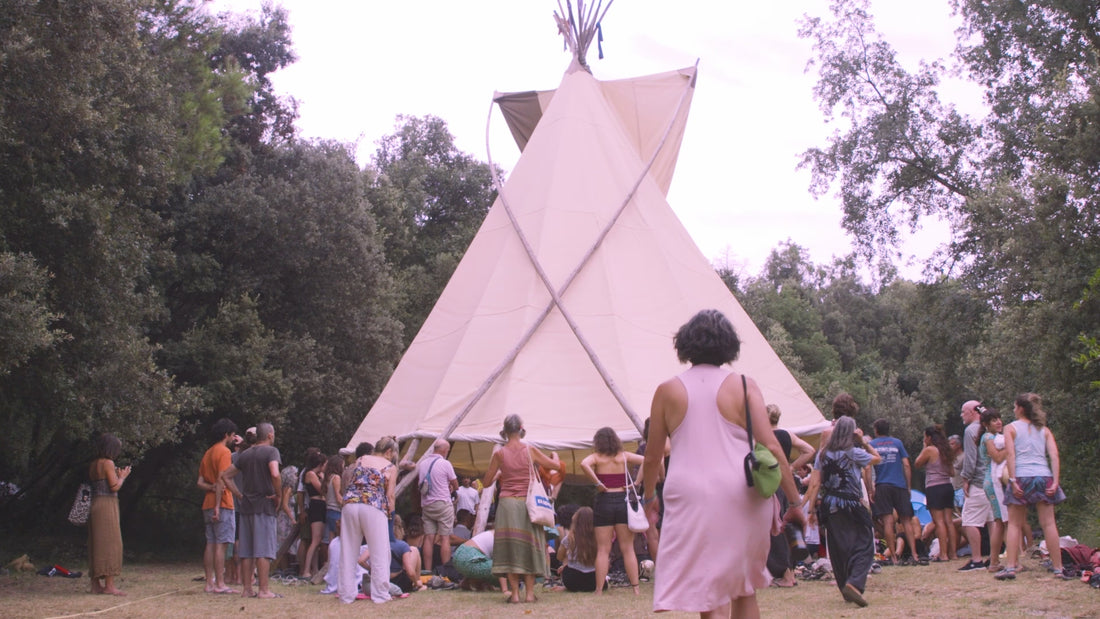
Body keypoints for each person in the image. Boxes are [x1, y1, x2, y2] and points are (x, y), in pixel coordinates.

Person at [642, 309, 805, 617]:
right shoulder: (744, 385)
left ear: (685, 343)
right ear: (729, 344)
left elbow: (652, 457)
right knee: (743, 587)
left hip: (690, 496)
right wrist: (794, 501)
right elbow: (771, 445)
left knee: (709, 590)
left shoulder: (667, 390)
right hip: (742, 494)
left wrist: (650, 497)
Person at [481, 414, 565, 604]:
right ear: (521, 428)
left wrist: (499, 474)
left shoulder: (499, 454)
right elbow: (556, 466)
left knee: (511, 548)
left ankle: (515, 595)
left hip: (507, 505)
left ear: (505, 430)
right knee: (529, 546)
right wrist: (555, 455)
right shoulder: (530, 450)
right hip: (528, 504)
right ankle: (529, 594)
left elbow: (486, 482)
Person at [801, 416, 882, 607]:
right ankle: (854, 583)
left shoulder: (823, 454)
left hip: (830, 504)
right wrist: (863, 442)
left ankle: (845, 586)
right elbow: (878, 459)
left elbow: (816, 483)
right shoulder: (854, 452)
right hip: (851, 504)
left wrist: (811, 511)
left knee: (838, 548)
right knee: (865, 543)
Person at [996, 393, 1069, 581]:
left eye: (1014, 406)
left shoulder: (1010, 428)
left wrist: (1013, 480)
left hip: (1021, 476)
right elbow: (1054, 456)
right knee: (1049, 523)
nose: (1014, 410)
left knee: (1014, 523)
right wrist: (1055, 481)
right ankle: (1058, 568)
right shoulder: (1044, 430)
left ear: (1020, 408)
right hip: (1043, 476)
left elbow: (1010, 455)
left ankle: (1011, 567)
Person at [219, 422, 282, 599]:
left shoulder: (244, 454)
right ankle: (264, 590)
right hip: (264, 505)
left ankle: (247, 589)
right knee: (263, 550)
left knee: (246, 550)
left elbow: (226, 476)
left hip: (246, 507)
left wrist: (239, 495)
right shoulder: (271, 452)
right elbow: (275, 473)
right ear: (270, 435)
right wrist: (278, 494)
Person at [580, 426, 645, 596]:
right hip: (623, 500)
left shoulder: (596, 457)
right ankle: (636, 588)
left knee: (603, 549)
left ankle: (599, 590)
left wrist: (598, 483)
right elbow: (647, 460)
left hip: (604, 501)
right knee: (628, 548)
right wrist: (636, 483)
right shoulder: (623, 456)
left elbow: (583, 464)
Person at [339, 436, 400, 604]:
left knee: (348, 551)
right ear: (388, 451)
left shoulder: (361, 459)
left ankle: (346, 595)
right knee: (380, 552)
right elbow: (390, 495)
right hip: (374, 506)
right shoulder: (390, 467)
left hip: (350, 504)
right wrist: (391, 515)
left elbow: (349, 480)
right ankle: (380, 595)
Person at [766, 404, 815, 587]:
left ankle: (785, 573)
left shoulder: (763, 435)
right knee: (788, 526)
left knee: (775, 528)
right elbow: (809, 450)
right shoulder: (787, 434)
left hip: (771, 483)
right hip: (787, 484)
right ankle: (790, 571)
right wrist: (791, 467)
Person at [867, 419, 921, 565]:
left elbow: (867, 468)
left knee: (888, 522)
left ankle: (894, 557)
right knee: (906, 520)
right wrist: (908, 486)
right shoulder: (897, 443)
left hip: (882, 485)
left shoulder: (871, 445)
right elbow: (906, 465)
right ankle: (914, 554)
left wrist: (870, 489)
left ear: (876, 430)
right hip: (899, 485)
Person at [197, 418, 239, 594]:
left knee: (210, 543)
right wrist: (217, 505)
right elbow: (222, 478)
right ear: (226, 434)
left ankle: (209, 582)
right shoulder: (224, 452)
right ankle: (220, 583)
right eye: (232, 435)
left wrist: (211, 488)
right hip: (221, 504)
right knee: (222, 544)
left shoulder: (208, 453)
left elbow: (200, 482)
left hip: (207, 502)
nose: (233, 438)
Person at [88, 432, 130, 596]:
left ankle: (95, 584)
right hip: (106, 504)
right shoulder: (107, 463)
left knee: (96, 543)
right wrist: (122, 477)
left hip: (95, 502)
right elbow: (114, 486)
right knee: (110, 543)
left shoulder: (93, 464)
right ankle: (109, 585)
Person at [958, 400, 993, 571]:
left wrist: (966, 479)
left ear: (973, 412)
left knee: (969, 521)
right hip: (993, 480)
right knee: (993, 520)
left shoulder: (971, 430)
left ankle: (977, 559)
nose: (961, 415)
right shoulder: (991, 428)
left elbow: (971, 459)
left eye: (963, 412)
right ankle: (994, 558)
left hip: (978, 482)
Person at [914, 425, 956, 561]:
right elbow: (952, 472)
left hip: (934, 487)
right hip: (947, 486)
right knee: (949, 521)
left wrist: (924, 447)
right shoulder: (946, 451)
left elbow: (917, 463)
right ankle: (953, 553)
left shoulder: (930, 450)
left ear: (929, 437)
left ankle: (943, 554)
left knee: (939, 522)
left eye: (925, 437)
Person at [417, 438, 458, 574]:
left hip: (427, 504)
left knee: (429, 537)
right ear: (445, 450)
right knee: (445, 537)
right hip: (442, 503)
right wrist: (451, 487)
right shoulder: (445, 463)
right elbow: (455, 484)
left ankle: (427, 571)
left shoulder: (423, 464)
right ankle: (445, 572)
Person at [978, 408, 1008, 573]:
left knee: (1002, 522)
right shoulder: (988, 437)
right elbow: (996, 457)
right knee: (1001, 522)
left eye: (999, 419)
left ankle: (995, 561)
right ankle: (997, 561)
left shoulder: (995, 436)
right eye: (994, 420)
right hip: (993, 482)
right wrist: (1010, 446)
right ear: (986, 424)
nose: (998, 422)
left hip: (996, 481)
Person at [556, 506, 600, 592]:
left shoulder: (569, 539)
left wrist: (566, 563)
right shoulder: (598, 538)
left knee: (566, 556)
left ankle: (564, 585)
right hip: (594, 581)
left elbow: (559, 557)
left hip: (572, 581)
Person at [300, 450, 327, 579]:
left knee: (318, 540)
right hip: (316, 505)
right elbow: (321, 490)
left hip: (321, 505)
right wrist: (323, 478)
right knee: (315, 539)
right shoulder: (311, 474)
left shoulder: (315, 474)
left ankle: (315, 569)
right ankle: (306, 570)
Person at [323, 454, 345, 545]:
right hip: (336, 510)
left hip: (329, 510)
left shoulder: (328, 477)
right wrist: (346, 504)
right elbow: (338, 496)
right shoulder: (336, 477)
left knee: (331, 539)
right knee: (339, 538)